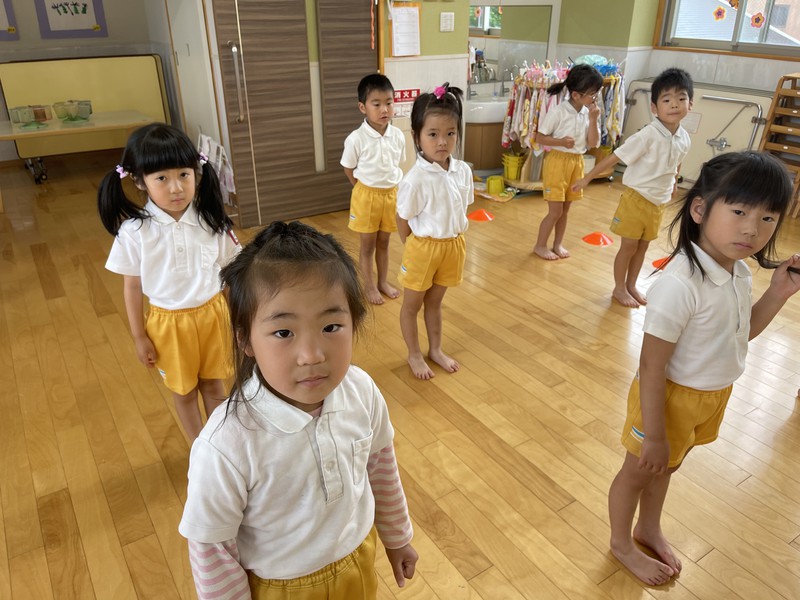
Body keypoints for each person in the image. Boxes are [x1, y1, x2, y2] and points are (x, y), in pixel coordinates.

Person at [179, 221, 418, 599]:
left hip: (357, 561)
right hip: (282, 588)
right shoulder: (226, 445)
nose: (312, 355)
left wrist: (397, 536)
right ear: (245, 339)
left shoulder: (361, 391)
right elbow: (213, 549)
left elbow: (380, 467)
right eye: (284, 333)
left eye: (331, 326)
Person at [608, 151, 800, 586]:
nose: (752, 229)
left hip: (709, 396)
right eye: (739, 211)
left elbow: (739, 335)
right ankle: (621, 543)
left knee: (667, 467)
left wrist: (778, 293)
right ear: (699, 209)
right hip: (666, 398)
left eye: (768, 218)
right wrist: (655, 433)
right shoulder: (680, 284)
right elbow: (651, 366)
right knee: (637, 472)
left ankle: (648, 527)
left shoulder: (739, 274)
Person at [98, 123, 240, 441]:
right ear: (139, 181)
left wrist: (238, 319)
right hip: (168, 325)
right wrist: (139, 336)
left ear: (196, 173)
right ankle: (199, 450)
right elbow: (132, 287)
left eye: (183, 175)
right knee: (184, 392)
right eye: (162, 178)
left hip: (214, 316)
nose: (176, 188)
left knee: (215, 386)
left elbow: (229, 275)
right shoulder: (134, 232)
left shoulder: (211, 221)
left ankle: (220, 447)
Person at [573, 68, 694, 307]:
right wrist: (587, 178)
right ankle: (619, 288)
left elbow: (677, 161)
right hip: (635, 199)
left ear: (690, 104)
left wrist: (673, 182)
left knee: (643, 247)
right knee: (629, 246)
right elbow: (615, 157)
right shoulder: (647, 135)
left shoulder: (684, 137)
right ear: (654, 107)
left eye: (681, 98)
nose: (674, 104)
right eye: (667, 100)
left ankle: (631, 285)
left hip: (658, 203)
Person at [396, 83, 473, 380]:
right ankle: (414, 353)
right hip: (423, 248)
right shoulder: (414, 180)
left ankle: (435, 349)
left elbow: (462, 207)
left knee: (435, 302)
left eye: (450, 133)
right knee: (411, 305)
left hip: (453, 246)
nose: (442, 142)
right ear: (416, 136)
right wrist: (412, 245)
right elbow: (403, 218)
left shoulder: (463, 170)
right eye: (432, 134)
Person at [341, 73, 407, 305]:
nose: (384, 109)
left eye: (389, 102)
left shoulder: (398, 136)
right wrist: (361, 190)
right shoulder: (356, 138)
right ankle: (369, 286)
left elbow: (397, 165)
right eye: (376, 104)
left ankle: (382, 282)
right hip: (366, 196)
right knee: (367, 245)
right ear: (363, 107)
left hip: (390, 195)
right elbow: (348, 168)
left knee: (384, 243)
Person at [533, 63, 603, 260]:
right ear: (576, 95)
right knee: (555, 211)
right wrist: (561, 142)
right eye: (592, 94)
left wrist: (594, 120)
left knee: (565, 211)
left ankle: (557, 244)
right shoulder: (558, 112)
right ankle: (540, 245)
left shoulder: (587, 113)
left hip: (576, 162)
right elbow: (539, 137)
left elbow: (593, 143)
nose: (595, 98)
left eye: (596, 93)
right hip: (557, 162)